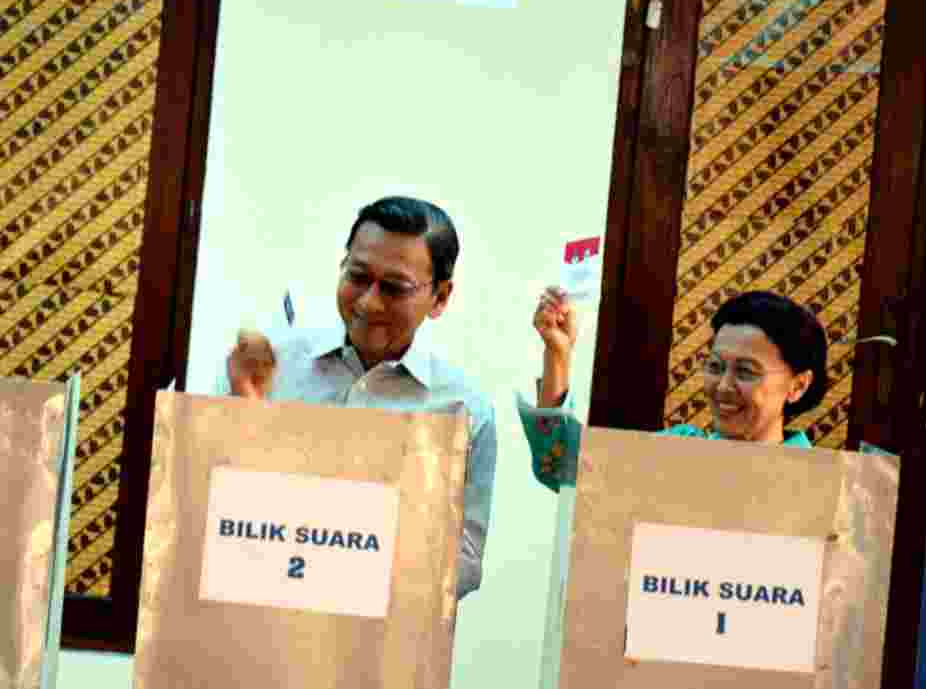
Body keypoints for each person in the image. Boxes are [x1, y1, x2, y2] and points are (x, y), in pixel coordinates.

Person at [219, 196, 496, 599]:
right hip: (256, 617)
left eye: (394, 288)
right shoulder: (268, 367)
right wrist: (241, 404)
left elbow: (465, 563)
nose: (368, 301)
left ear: (440, 297)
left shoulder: (464, 410)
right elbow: (209, 500)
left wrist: (359, 555)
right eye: (358, 276)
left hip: (379, 633)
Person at [521, 288, 829, 491]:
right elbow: (563, 466)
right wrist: (557, 354)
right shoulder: (675, 453)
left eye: (746, 372)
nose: (723, 386)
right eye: (715, 366)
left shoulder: (824, 485)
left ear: (798, 385)